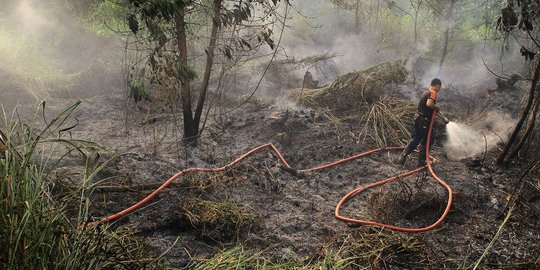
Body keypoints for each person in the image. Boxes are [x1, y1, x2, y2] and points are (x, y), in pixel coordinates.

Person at [398, 78, 445, 166]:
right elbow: (429, 104)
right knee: (428, 140)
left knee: (415, 139)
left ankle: (402, 156)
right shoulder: (433, 92)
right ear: (437, 86)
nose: (438, 90)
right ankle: (422, 161)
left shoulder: (425, 92)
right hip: (424, 121)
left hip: (418, 119)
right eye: (439, 88)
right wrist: (436, 107)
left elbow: (425, 107)